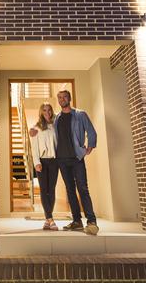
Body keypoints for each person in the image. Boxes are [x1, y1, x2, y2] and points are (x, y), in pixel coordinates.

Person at [30, 89, 99, 235]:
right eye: (59, 97)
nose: (62, 99)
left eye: (64, 97)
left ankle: (91, 221)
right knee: (70, 191)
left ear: (69, 98)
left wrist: (90, 146)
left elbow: (91, 131)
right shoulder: (58, 118)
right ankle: (76, 221)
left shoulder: (80, 114)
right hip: (61, 160)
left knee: (83, 189)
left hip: (76, 159)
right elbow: (43, 130)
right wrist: (33, 130)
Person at [30, 102, 59, 230]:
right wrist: (36, 162)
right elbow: (34, 147)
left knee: (51, 189)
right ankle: (51, 219)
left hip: (54, 161)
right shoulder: (36, 128)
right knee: (43, 190)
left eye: (49, 110)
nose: (47, 113)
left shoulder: (56, 125)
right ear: (41, 112)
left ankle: (48, 219)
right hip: (41, 161)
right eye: (44, 110)